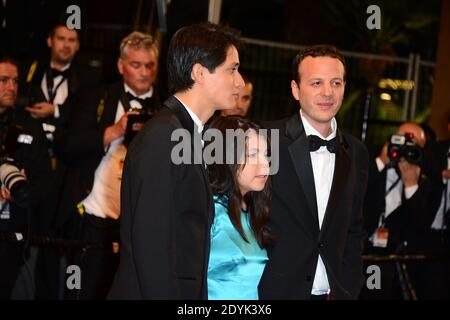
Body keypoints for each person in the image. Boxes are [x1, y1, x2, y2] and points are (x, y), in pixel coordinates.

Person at [108, 22, 244, 299]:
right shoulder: (165, 136)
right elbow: (152, 244)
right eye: (232, 69)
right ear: (199, 73)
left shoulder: (185, 133)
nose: (240, 81)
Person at [258, 45, 369, 300]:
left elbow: (354, 229)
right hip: (273, 293)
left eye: (336, 83)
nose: (327, 92)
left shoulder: (357, 152)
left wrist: (350, 287)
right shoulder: (266, 141)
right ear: (296, 89)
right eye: (316, 83)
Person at [57, 31, 160, 299]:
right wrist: (113, 131)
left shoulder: (165, 110)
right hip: (93, 213)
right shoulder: (96, 96)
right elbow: (67, 146)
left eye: (149, 65)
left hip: (136, 222)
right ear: (120, 66)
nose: (144, 72)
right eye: (136, 65)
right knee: (79, 290)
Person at [361, 122, 437, 299]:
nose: (405, 147)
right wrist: (381, 162)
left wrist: (411, 185)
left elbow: (420, 227)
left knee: (375, 294)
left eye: (413, 143)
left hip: (388, 258)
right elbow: (351, 189)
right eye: (401, 140)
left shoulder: (424, 179)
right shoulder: (371, 159)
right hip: (357, 250)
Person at [0, 56, 50, 299]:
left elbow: (45, 183)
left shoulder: (30, 126)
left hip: (12, 238)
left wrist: (23, 190)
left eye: (15, 81)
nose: (11, 87)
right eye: (3, 80)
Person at [206, 116, 273, 300]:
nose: (264, 164)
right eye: (252, 155)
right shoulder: (209, 211)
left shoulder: (252, 211)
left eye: (266, 155)